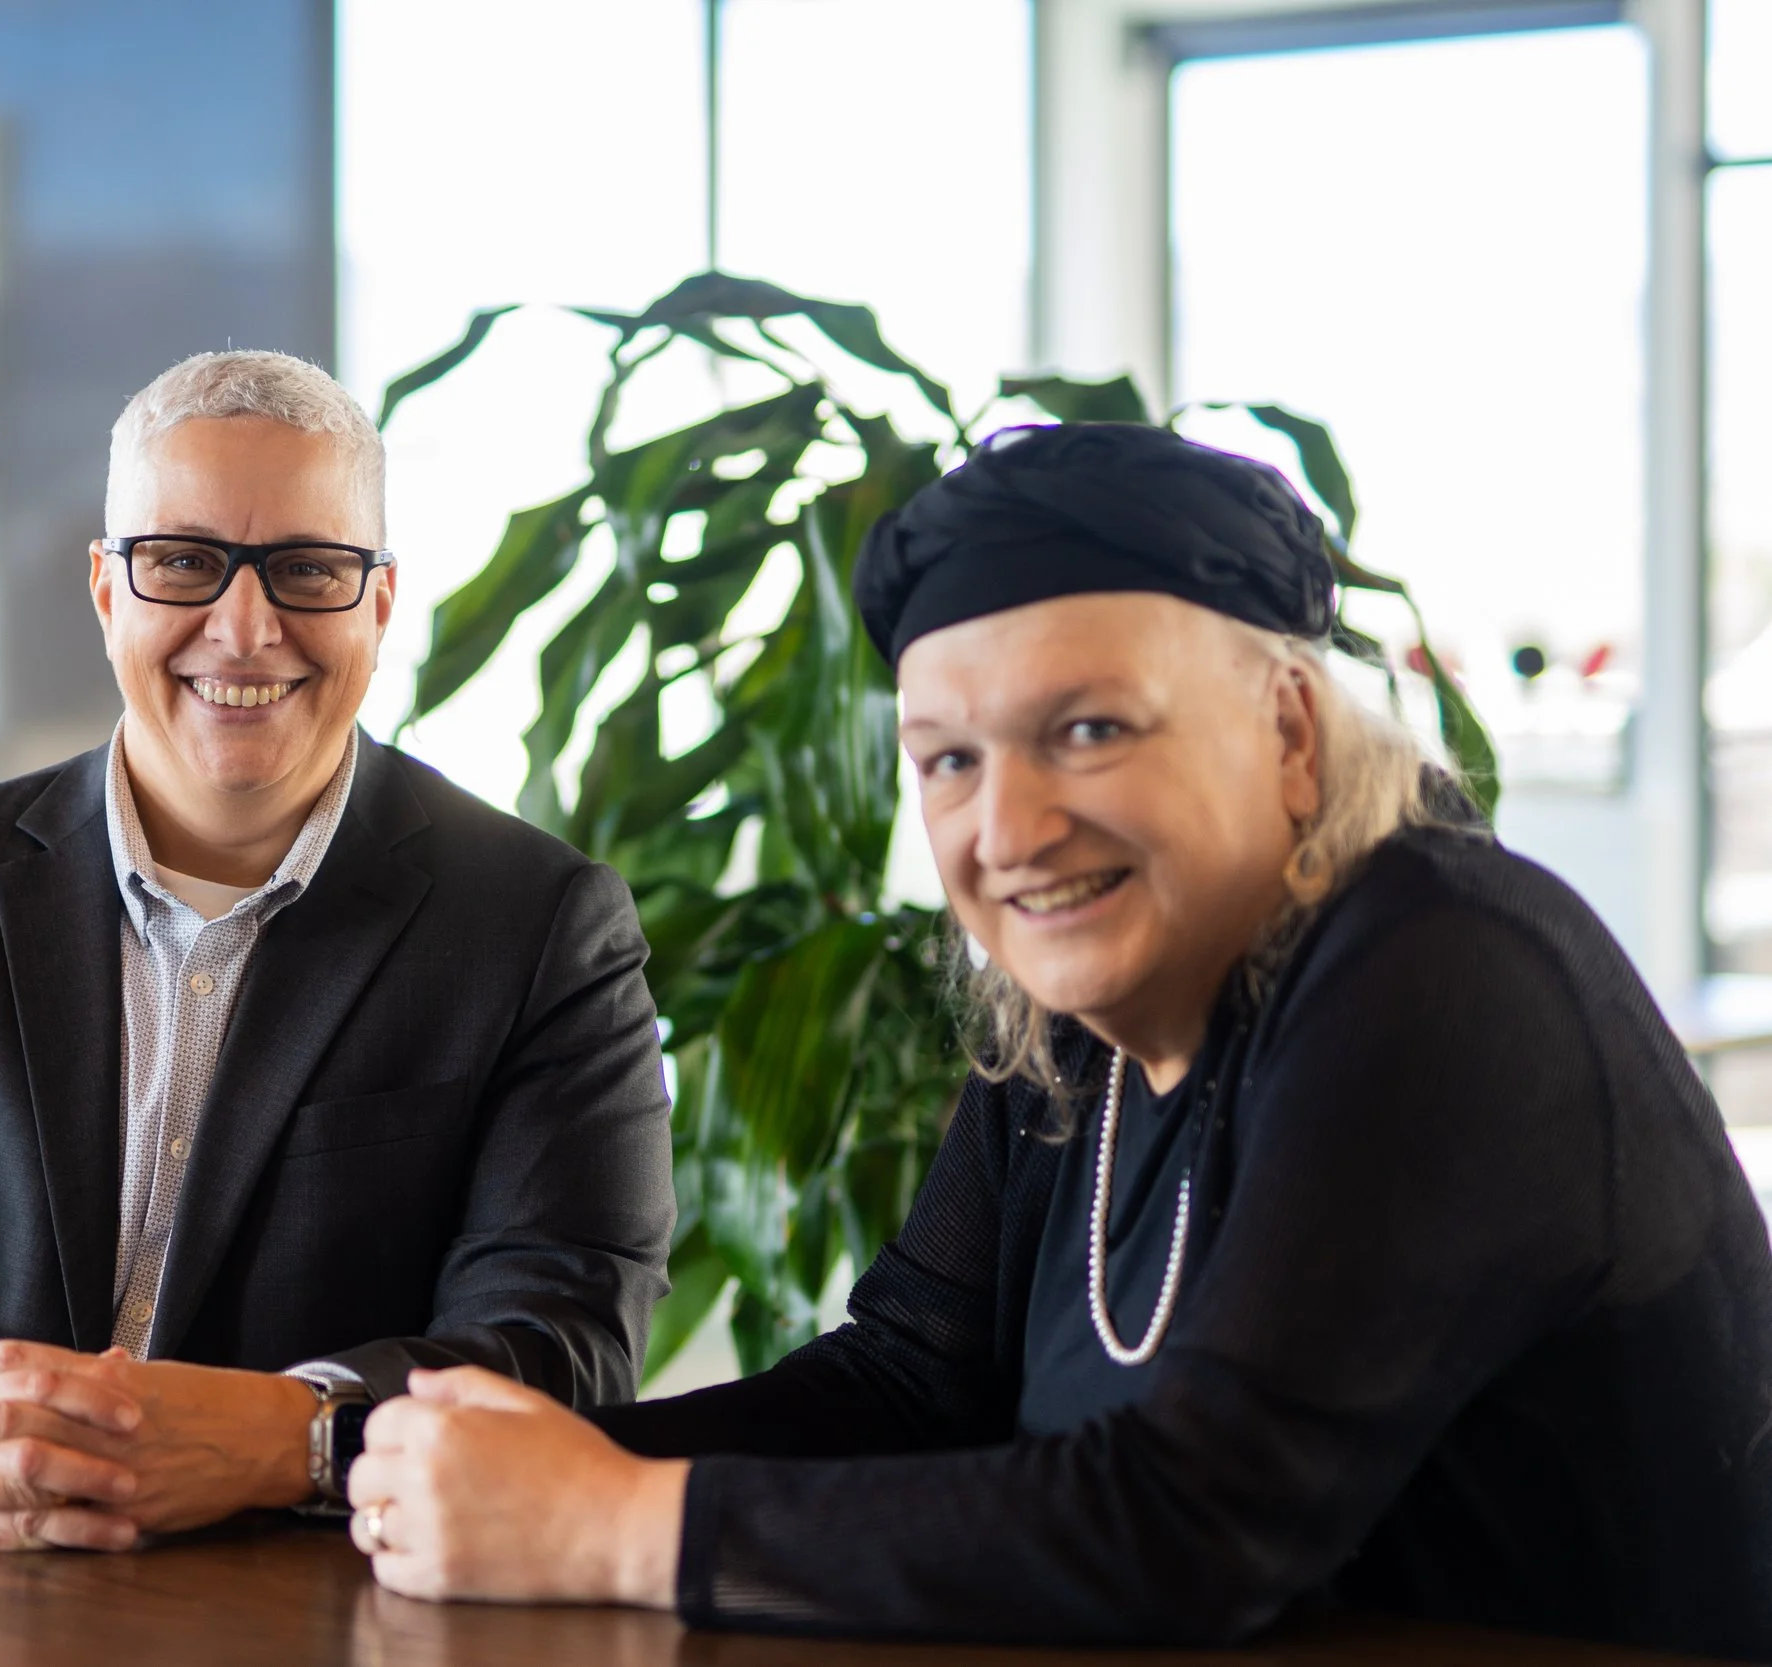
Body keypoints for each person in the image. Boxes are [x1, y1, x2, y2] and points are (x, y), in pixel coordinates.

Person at [343, 422, 1772, 1659]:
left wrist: (610, 1522)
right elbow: (908, 1381)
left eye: (1087, 729)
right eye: (949, 759)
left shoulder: (1442, 964)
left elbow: (1191, 1523)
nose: (1009, 830)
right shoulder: (1078, 1013)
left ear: (1290, 729)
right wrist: (428, 1462)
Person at [0, 350, 674, 1550]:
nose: (244, 628)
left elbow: (565, 1336)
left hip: (320, 1591)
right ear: (108, 590)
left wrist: (283, 1434)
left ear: (378, 603)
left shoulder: (538, 924)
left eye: (308, 568)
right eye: (183, 562)